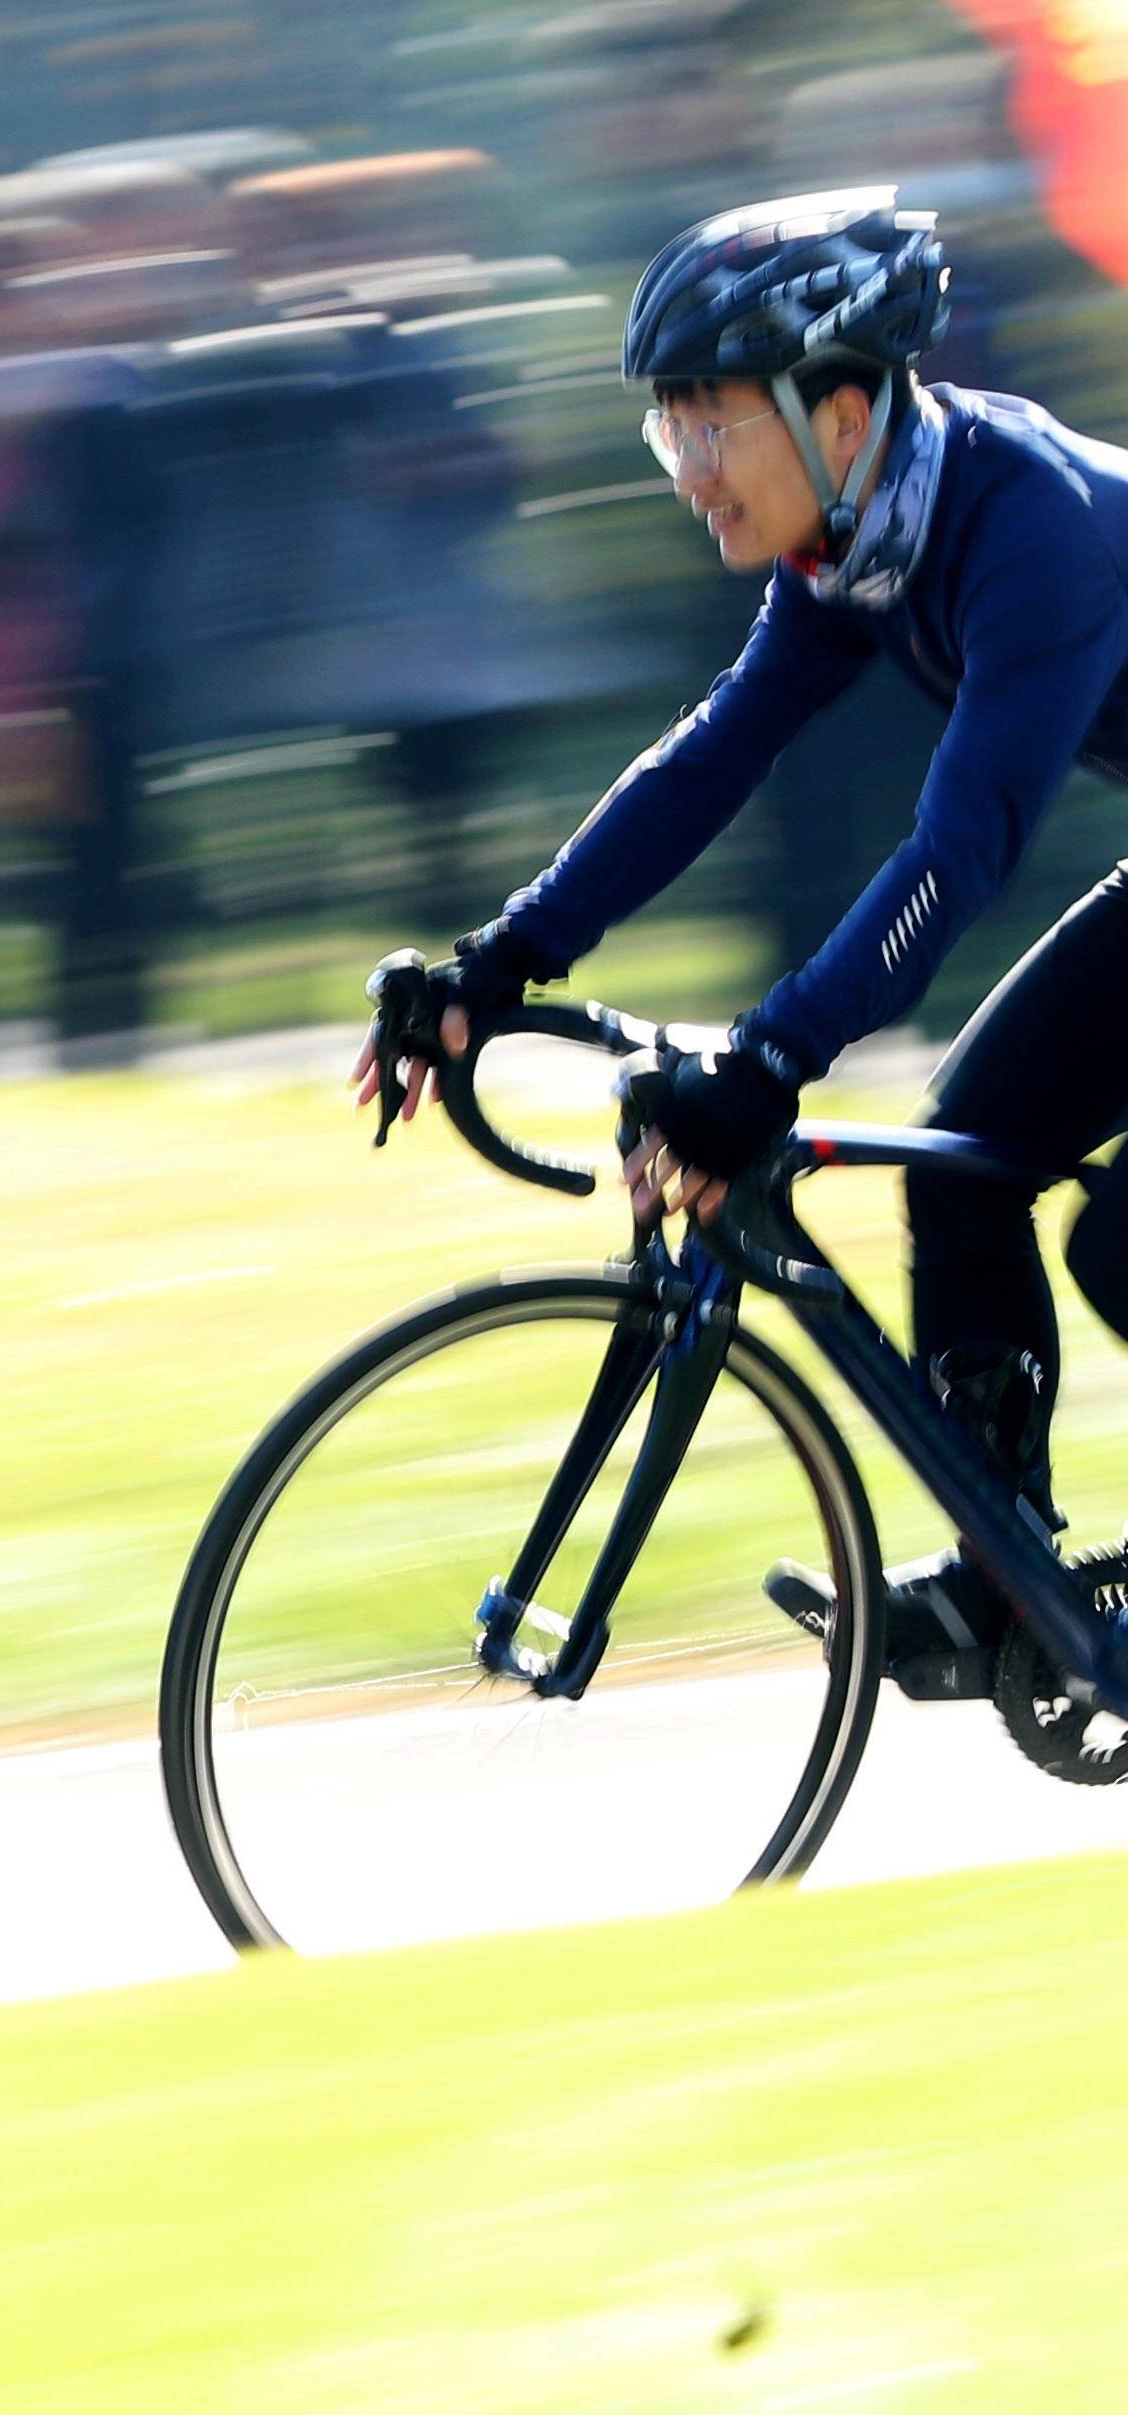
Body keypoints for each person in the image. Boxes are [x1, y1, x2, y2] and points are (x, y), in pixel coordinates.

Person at [370, 190, 1128, 1679]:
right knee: (967, 1168)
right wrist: (500, 959)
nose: (688, 472)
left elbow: (957, 847)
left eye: (713, 425)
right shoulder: (859, 539)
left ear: (839, 413)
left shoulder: (1029, 528)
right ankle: (1008, 1584)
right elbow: (709, 759)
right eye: (671, 433)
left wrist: (771, 1055)